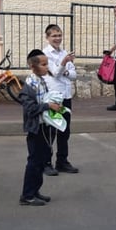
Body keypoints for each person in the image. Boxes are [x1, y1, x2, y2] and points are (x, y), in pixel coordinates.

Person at [19, 49, 59, 206]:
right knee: (34, 161)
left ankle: (35, 191)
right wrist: (48, 105)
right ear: (32, 66)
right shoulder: (29, 84)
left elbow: (45, 100)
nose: (46, 67)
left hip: (45, 126)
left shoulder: (41, 80)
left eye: (47, 64)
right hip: (36, 129)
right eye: (43, 64)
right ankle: (27, 195)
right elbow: (30, 108)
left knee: (42, 160)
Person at [42, 24, 79, 175]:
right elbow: (55, 73)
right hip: (54, 96)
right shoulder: (45, 54)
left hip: (66, 95)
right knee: (51, 131)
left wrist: (64, 67)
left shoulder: (64, 52)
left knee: (65, 131)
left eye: (59, 35)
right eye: (54, 36)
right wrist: (64, 64)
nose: (57, 39)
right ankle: (46, 162)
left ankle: (62, 161)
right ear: (47, 38)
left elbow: (73, 75)